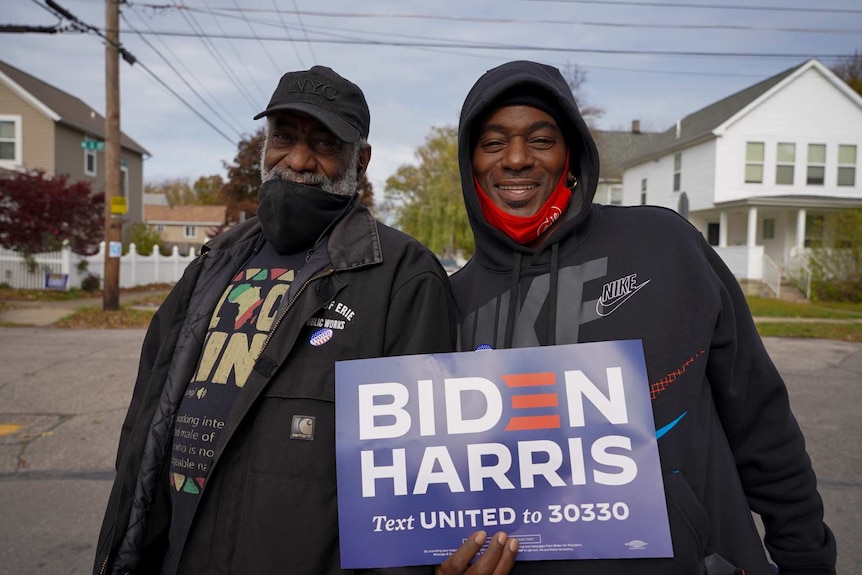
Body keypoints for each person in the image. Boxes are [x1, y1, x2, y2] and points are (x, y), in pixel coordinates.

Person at [93, 65, 517, 575]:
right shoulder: (213, 262)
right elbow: (145, 423)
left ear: (360, 160)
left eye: (323, 142)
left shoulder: (402, 276)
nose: (297, 158)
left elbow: (414, 480)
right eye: (284, 137)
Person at [449, 60, 837, 574]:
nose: (516, 159)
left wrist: (807, 559)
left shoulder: (666, 246)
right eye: (493, 143)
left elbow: (760, 417)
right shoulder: (449, 300)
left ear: (572, 154)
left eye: (541, 139)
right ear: (470, 161)